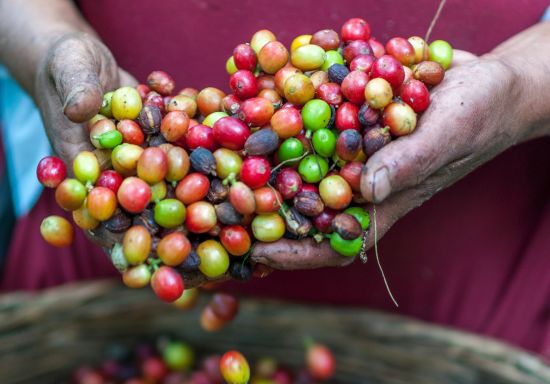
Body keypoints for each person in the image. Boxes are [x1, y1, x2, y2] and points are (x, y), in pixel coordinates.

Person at [0, 0, 549, 355]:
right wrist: (48, 43)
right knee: (104, 366)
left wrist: (519, 85)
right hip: (102, 275)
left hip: (475, 286)